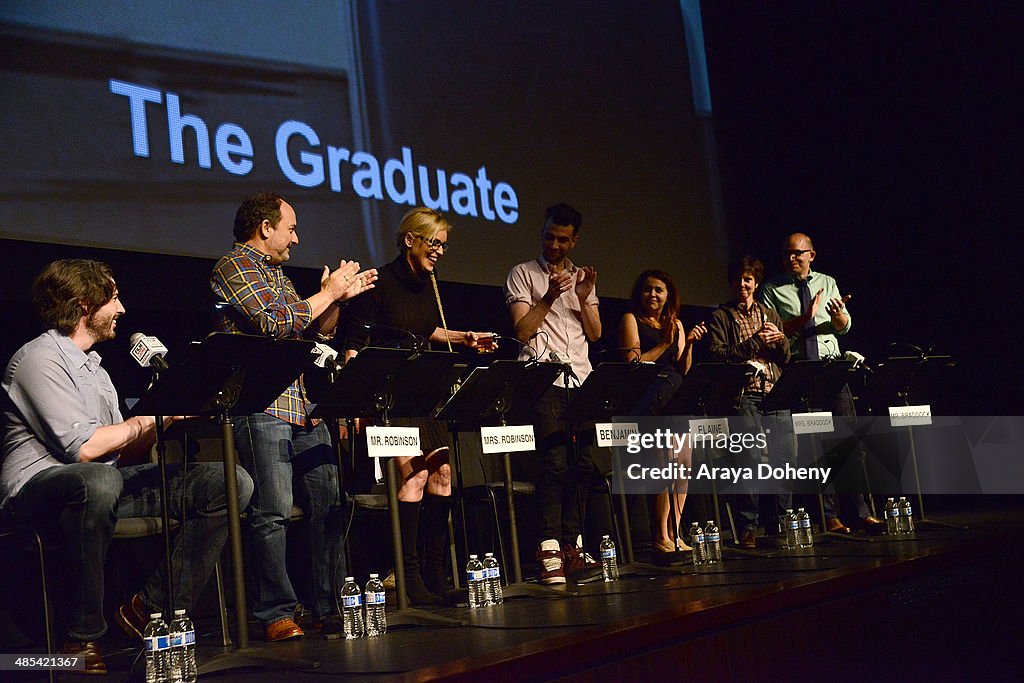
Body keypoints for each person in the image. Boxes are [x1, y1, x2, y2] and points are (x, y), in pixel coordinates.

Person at [1, 259, 253, 673]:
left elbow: (124, 457)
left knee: (228, 482)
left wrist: (165, 418)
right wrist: (143, 420)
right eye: (113, 298)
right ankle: (80, 637)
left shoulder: (97, 371)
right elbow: (82, 450)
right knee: (97, 481)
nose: (121, 309)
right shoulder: (38, 359)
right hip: (35, 491)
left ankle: (149, 610)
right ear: (84, 305)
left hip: (103, 485)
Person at [210, 192, 376, 641]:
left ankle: (328, 604)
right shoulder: (233, 266)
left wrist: (339, 300)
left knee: (330, 501)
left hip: (303, 404)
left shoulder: (279, 276)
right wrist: (326, 293)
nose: (296, 238)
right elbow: (274, 324)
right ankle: (276, 612)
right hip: (261, 405)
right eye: (291, 228)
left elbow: (310, 330)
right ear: (265, 227)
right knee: (273, 510)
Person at [342, 207, 494, 605]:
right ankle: (407, 577)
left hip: (424, 389)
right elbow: (353, 346)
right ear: (410, 240)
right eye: (434, 243)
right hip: (388, 393)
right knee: (414, 476)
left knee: (443, 472)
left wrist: (464, 338)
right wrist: (357, 401)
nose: (440, 251)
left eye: (444, 245)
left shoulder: (429, 282)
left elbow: (426, 330)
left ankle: (435, 570)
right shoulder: (379, 283)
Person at [505, 202, 609, 584]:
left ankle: (573, 545)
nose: (553, 244)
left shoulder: (583, 277)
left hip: (580, 379)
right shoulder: (523, 274)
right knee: (553, 464)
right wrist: (548, 297)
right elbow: (521, 331)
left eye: (562, 239)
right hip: (542, 378)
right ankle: (548, 547)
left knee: (581, 465)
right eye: (549, 235)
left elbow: (595, 334)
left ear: (573, 241)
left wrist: (582, 296)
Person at [759, 232, 883, 533]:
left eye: (797, 253)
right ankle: (829, 516)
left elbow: (843, 327)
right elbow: (771, 331)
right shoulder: (772, 289)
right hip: (801, 370)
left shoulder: (827, 282)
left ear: (811, 255)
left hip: (832, 367)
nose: (792, 258)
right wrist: (807, 317)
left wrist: (839, 316)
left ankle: (860, 511)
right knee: (816, 446)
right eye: (787, 253)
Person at [618, 270, 707, 560]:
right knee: (665, 468)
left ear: (669, 294)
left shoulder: (676, 323)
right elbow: (633, 363)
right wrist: (665, 344)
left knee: (683, 469)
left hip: (677, 397)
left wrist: (688, 342)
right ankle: (660, 535)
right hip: (650, 400)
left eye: (659, 290)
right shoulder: (631, 320)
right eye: (647, 289)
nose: (653, 295)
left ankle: (676, 531)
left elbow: (683, 368)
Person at [706, 256, 793, 549]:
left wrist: (781, 341)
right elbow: (719, 356)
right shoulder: (722, 316)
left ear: (756, 283)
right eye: (738, 280)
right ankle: (747, 528)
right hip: (745, 395)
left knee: (783, 460)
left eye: (748, 280)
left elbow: (786, 358)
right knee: (750, 462)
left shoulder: (769, 313)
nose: (743, 285)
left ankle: (780, 523)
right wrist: (756, 342)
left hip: (776, 392)